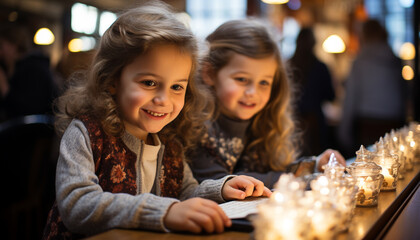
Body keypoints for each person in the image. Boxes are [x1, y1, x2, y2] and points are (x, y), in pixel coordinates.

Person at [41, 3, 271, 239]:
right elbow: (77, 205)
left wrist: (221, 188)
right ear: (111, 80)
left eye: (177, 87)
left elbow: (186, 191)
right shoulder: (87, 133)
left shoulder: (169, 143)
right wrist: (166, 210)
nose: (163, 99)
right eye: (149, 83)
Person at [187, 19, 346, 189]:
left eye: (264, 83)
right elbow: (226, 182)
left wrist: (314, 165)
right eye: (242, 79)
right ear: (209, 73)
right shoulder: (196, 127)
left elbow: (275, 170)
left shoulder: (265, 122)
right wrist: (306, 179)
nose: (253, 93)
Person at [338, 19, 406, 157]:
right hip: (394, 123)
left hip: (367, 125)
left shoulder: (361, 61)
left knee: (367, 168)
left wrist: (343, 133)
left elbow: (350, 98)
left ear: (364, 35)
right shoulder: (395, 60)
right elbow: (404, 95)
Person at [288, 27, 336, 157]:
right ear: (314, 44)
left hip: (291, 121)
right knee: (318, 158)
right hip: (315, 123)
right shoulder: (320, 67)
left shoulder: (288, 65)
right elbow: (331, 96)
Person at [0, 23, 58, 121]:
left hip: (32, 133)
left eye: (1, 46)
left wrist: (4, 86)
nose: (0, 52)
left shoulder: (33, 68)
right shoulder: (15, 67)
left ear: (14, 45)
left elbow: (28, 111)